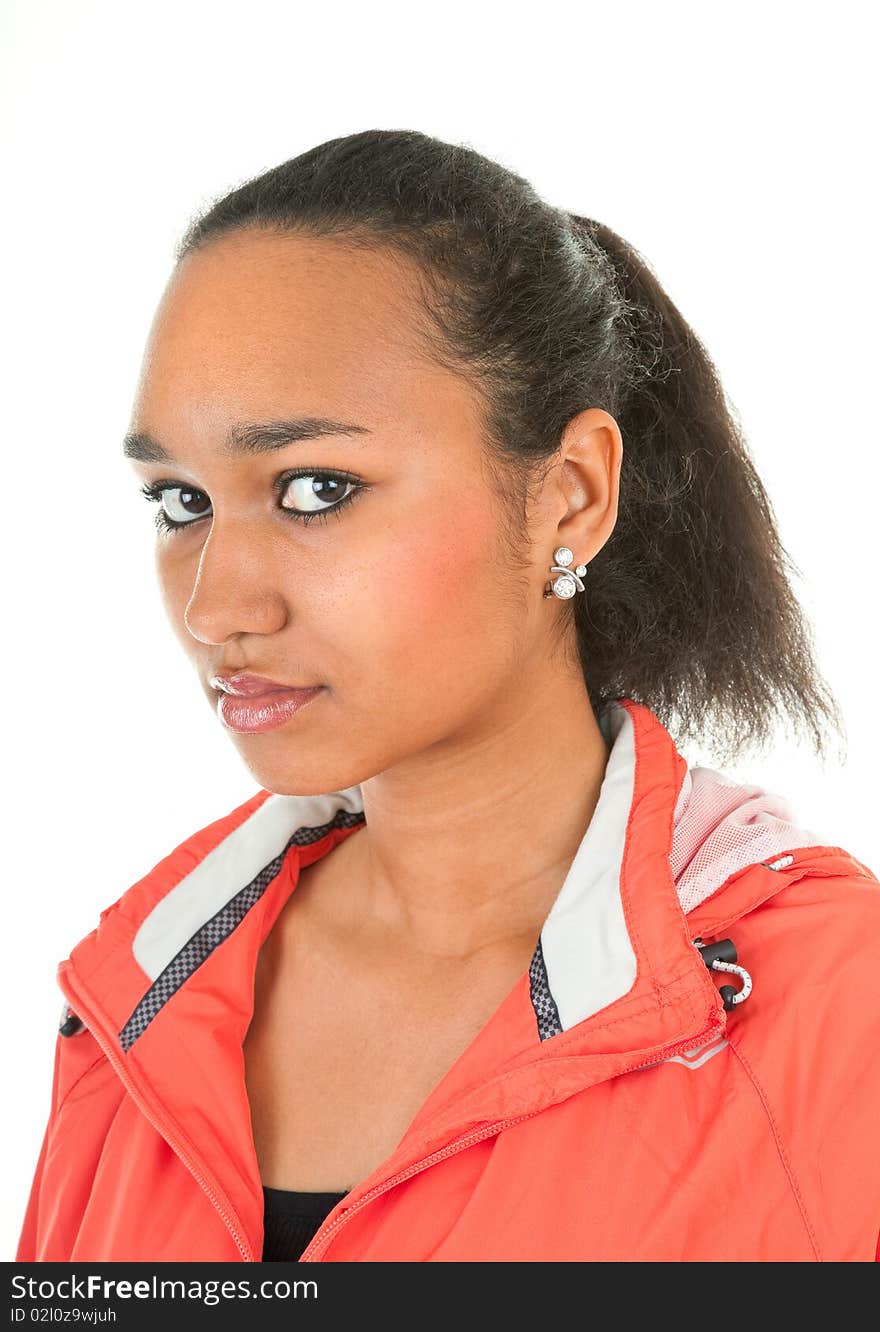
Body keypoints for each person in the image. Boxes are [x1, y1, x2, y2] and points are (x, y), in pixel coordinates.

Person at [15, 129, 880, 1264]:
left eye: (313, 488)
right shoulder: (135, 996)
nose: (217, 605)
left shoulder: (838, 1012)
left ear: (570, 497)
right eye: (179, 502)